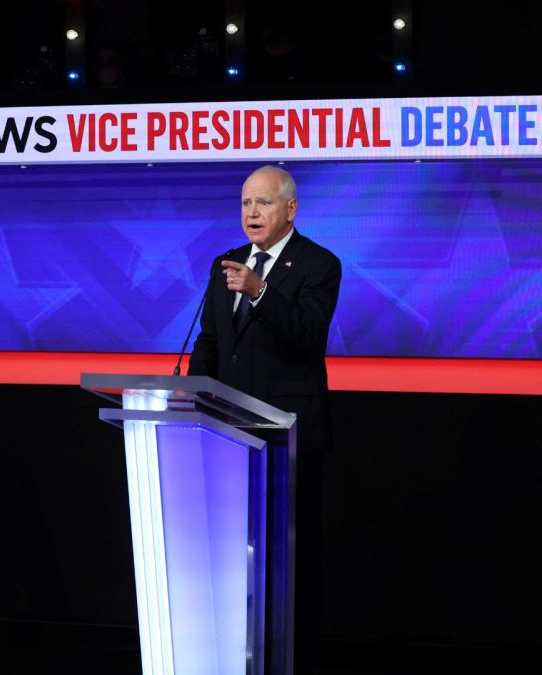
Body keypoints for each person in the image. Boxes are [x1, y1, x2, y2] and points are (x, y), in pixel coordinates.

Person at [188, 165, 341, 674]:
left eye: (263, 203)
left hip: (288, 434)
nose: (251, 213)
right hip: (227, 430)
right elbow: (212, 342)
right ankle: (237, 650)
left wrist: (259, 290)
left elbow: (307, 334)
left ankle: (296, 657)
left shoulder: (319, 264)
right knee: (236, 551)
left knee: (290, 556)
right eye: (245, 203)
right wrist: (192, 398)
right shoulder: (225, 263)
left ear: (290, 209)